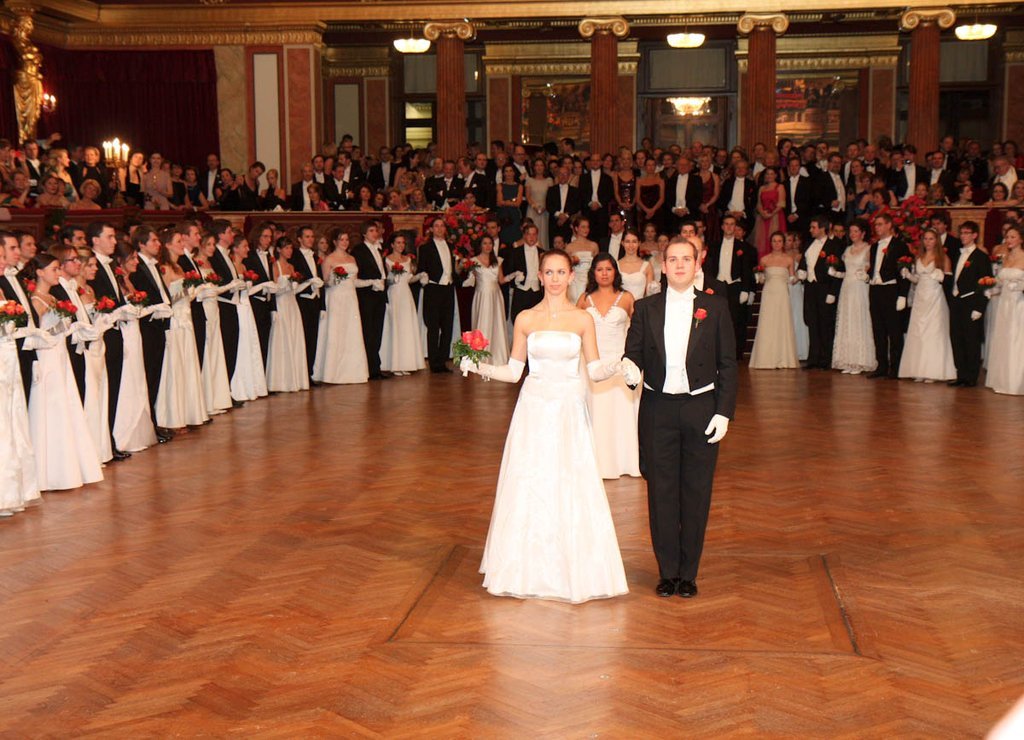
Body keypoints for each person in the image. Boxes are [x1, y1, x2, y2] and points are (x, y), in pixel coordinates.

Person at [461, 248, 631, 603]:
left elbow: (595, 370)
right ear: (540, 276)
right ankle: (525, 568)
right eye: (548, 272)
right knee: (531, 480)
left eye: (560, 272)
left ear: (571, 276)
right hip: (534, 408)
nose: (554, 279)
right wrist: (478, 366)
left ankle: (574, 568)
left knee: (570, 480)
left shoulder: (582, 319)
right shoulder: (526, 318)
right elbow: (513, 372)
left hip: (568, 408)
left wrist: (619, 365)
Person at [624, 236, 737, 598]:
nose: (679, 265)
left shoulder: (715, 307)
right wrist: (630, 368)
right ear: (663, 265)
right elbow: (633, 353)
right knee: (661, 492)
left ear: (697, 263)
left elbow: (728, 364)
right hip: (657, 409)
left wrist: (723, 412)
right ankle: (667, 572)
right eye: (672, 259)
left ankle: (688, 573)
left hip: (700, 409)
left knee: (696, 491)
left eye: (686, 259)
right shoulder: (645, 308)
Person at [24, 254, 104, 491]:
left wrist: (74, 328)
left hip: (61, 355)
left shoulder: (52, 297)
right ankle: (49, 471)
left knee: (67, 404)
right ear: (40, 272)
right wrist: (58, 329)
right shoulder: (36, 300)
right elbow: (37, 333)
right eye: (54, 269)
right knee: (52, 406)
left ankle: (69, 465)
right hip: (48, 357)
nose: (58, 273)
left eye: (59, 268)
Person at [577, 253, 639, 479]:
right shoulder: (585, 299)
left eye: (608, 269)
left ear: (615, 272)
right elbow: (575, 330)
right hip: (591, 363)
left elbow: (638, 330)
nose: (604, 273)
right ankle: (596, 464)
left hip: (619, 364)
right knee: (596, 411)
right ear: (593, 273)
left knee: (621, 413)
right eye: (599, 269)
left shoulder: (627, 298)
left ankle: (625, 462)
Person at [154, 227, 209, 429]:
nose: (182, 244)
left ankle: (190, 413)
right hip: (176, 320)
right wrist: (186, 292)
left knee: (188, 364)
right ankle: (173, 417)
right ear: (167, 245)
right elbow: (167, 298)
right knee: (176, 367)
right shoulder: (165, 268)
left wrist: (193, 291)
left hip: (187, 319)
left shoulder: (179, 267)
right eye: (178, 241)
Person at [898, 229, 956, 382]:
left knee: (933, 332)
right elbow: (918, 279)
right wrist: (909, 276)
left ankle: (933, 371)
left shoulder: (943, 258)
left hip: (935, 298)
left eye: (931, 239)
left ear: (937, 241)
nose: (928, 242)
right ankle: (918, 369)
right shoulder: (919, 257)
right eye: (926, 239)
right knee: (918, 332)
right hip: (920, 298)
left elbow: (950, 281)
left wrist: (941, 277)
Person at [313, 228, 368, 385]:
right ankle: (333, 373)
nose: (345, 242)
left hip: (351, 298)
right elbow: (325, 282)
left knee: (351, 331)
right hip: (336, 297)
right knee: (336, 331)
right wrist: (333, 280)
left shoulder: (352, 258)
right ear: (335, 242)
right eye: (341, 239)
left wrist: (371, 282)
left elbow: (354, 281)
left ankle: (354, 372)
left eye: (347, 239)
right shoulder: (329, 259)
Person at [867, 213, 912, 379]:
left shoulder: (900, 246)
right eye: (876, 225)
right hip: (876, 290)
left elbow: (904, 271)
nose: (877, 227)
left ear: (889, 225)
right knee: (878, 330)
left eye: (880, 224)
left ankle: (895, 368)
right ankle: (881, 366)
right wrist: (867, 276)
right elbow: (874, 268)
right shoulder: (874, 247)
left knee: (894, 331)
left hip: (891, 290)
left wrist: (902, 295)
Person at [948, 221, 992, 387]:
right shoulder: (957, 254)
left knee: (971, 340)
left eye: (966, 233)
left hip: (971, 302)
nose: (963, 236)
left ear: (974, 235)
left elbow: (986, 283)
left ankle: (971, 377)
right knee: (957, 338)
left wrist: (979, 308)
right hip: (956, 302)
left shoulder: (981, 257)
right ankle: (961, 374)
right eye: (961, 233)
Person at [264, 236, 310, 393]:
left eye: (291, 248)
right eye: (286, 248)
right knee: (283, 338)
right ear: (279, 249)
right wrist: (285, 287)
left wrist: (303, 285)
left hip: (292, 304)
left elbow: (294, 290)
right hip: (281, 303)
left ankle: (296, 378)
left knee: (294, 337)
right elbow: (275, 289)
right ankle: (282, 381)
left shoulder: (291, 266)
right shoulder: (275, 266)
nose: (289, 251)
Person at [831, 219, 876, 374]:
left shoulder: (868, 249)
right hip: (847, 287)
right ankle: (847, 360)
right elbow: (846, 272)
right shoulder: (847, 249)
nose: (852, 234)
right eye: (850, 231)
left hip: (859, 287)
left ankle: (860, 360)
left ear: (863, 233)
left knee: (858, 319)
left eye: (856, 231)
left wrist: (865, 275)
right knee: (847, 319)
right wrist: (836, 273)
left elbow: (870, 269)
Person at [749, 232, 800, 369]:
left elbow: (792, 279)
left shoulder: (789, 259)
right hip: (768, 293)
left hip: (782, 294)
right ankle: (765, 359)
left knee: (782, 322)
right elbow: (762, 279)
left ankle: (783, 358)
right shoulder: (764, 260)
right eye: (774, 241)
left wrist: (797, 277)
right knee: (767, 323)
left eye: (779, 241)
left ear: (783, 243)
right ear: (770, 243)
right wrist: (759, 277)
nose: (777, 244)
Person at [983, 224, 1024, 395]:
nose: (1009, 240)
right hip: (1004, 304)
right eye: (1007, 237)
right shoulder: (1006, 258)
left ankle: (1015, 382)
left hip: (1018, 304)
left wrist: (1019, 286)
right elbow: (1000, 281)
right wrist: (991, 289)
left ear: (1021, 239)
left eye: (1013, 237)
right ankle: (1002, 379)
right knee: (1003, 338)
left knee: (1016, 340)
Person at [228, 235, 269, 403]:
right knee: (241, 343)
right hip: (238, 307)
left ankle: (251, 385)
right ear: (235, 248)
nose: (247, 249)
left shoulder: (244, 266)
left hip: (247, 306)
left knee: (250, 343)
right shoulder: (231, 264)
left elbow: (247, 291)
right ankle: (238, 387)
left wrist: (259, 286)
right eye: (244, 246)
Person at [798, 216, 842, 370]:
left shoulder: (834, 245)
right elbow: (805, 261)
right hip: (811, 287)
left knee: (825, 323)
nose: (811, 230)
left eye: (814, 227)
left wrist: (832, 292)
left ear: (823, 228)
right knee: (812, 322)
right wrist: (802, 270)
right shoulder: (809, 244)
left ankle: (825, 359)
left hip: (825, 288)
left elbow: (838, 269)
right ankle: (813, 358)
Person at [379, 233, 426, 375]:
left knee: (406, 327)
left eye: (403, 243)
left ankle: (406, 363)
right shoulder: (386, 260)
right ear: (392, 244)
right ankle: (395, 364)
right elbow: (386, 280)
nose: (401, 245)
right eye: (398, 242)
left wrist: (419, 276)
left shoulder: (408, 259)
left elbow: (409, 279)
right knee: (395, 327)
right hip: (394, 294)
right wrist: (391, 278)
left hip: (406, 295)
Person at [463, 235, 511, 365]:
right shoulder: (473, 261)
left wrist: (513, 276)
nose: (488, 246)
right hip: (482, 295)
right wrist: (468, 277)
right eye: (485, 243)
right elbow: (470, 280)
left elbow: (501, 280)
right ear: (480, 245)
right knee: (482, 322)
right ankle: (480, 356)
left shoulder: (498, 260)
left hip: (496, 296)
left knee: (496, 324)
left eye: (490, 243)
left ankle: (497, 356)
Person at [350, 221, 390, 379]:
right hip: (367, 296)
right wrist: (371, 283)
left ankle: (375, 367)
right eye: (371, 230)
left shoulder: (378, 249)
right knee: (368, 332)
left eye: (376, 230)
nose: (375, 233)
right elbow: (358, 275)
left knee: (377, 331)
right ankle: (370, 368)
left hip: (379, 295)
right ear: (364, 233)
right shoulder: (359, 250)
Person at [290, 225, 326, 382]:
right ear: (299, 239)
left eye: (312, 236)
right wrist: (308, 284)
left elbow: (320, 281)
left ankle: (309, 373)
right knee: (303, 337)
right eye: (307, 236)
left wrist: (322, 305)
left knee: (313, 338)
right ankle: (301, 374)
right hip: (302, 300)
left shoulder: (315, 257)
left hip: (315, 301)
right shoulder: (294, 256)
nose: (311, 239)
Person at [752, 166, 786, 256]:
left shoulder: (780, 187)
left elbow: (781, 204)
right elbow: (759, 204)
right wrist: (762, 213)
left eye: (772, 174)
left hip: (776, 217)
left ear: (776, 175)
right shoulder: (761, 188)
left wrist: (771, 214)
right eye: (767, 174)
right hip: (762, 218)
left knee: (774, 238)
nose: (769, 176)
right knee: (762, 241)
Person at [566, 215, 598, 304]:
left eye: (587, 227)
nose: (586, 230)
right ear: (576, 228)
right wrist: (572, 261)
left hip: (590, 281)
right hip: (575, 282)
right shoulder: (570, 247)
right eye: (583, 227)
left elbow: (597, 266)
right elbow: (565, 267)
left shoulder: (594, 245)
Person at [617, 229, 655, 301]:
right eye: (627, 241)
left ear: (639, 243)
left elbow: (650, 294)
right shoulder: (616, 265)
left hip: (641, 305)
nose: (631, 245)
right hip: (620, 305)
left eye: (634, 241)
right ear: (622, 243)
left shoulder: (647, 266)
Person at [524, 159, 553, 248]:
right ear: (533, 167)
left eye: (541, 165)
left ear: (544, 167)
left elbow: (551, 196)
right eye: (537, 165)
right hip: (532, 210)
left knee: (543, 233)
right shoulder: (529, 180)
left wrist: (544, 207)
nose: (539, 167)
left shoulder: (549, 180)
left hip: (545, 210)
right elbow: (528, 196)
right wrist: (535, 207)